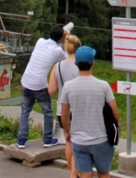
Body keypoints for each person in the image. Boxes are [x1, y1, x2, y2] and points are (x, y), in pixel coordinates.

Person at [59, 46, 119, 178]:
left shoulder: (68, 86)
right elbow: (114, 112)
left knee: (85, 174)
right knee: (103, 173)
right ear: (93, 63)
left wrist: (67, 132)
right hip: (101, 139)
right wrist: (114, 128)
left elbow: (64, 114)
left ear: (76, 64)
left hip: (79, 140)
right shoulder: (103, 86)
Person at [17, 23, 68, 149]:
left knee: (25, 111)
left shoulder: (40, 41)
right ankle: (47, 139)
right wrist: (66, 38)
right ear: (61, 38)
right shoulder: (57, 51)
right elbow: (68, 56)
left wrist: (62, 37)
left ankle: (21, 140)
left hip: (26, 81)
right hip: (39, 85)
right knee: (48, 112)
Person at [48, 35, 81, 177]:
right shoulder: (80, 66)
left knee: (68, 141)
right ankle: (74, 174)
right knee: (79, 143)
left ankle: (71, 172)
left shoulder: (58, 66)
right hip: (78, 109)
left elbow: (51, 90)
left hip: (62, 108)